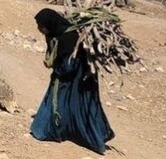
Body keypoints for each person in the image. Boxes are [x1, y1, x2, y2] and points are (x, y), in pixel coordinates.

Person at [31, 8, 114, 154]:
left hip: (78, 77)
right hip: (63, 74)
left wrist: (58, 70)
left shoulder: (69, 36)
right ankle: (59, 130)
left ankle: (90, 137)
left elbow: (71, 64)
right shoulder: (52, 33)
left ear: (49, 23)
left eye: (41, 26)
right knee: (60, 102)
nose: (39, 29)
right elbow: (53, 52)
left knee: (78, 106)